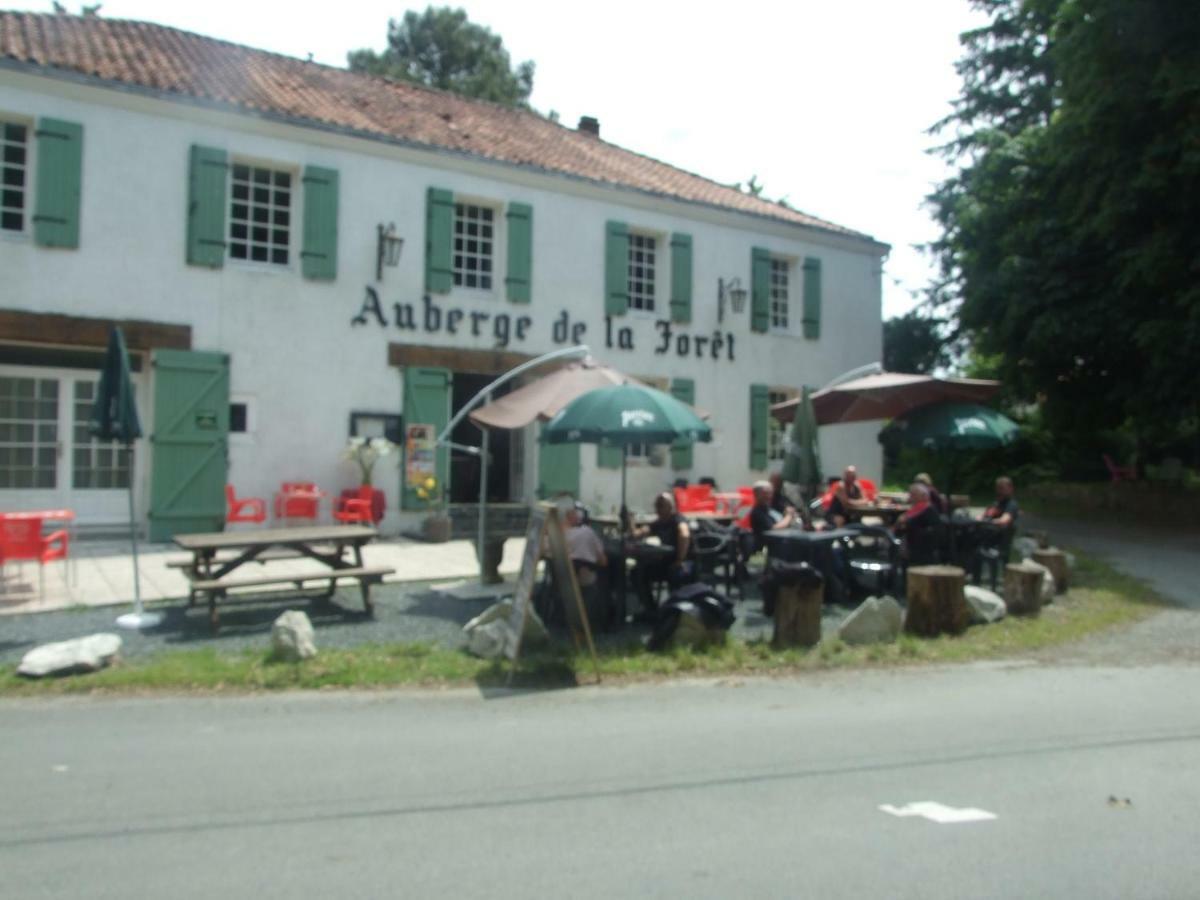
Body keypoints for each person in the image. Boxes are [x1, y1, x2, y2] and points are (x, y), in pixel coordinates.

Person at [627, 492, 693, 616]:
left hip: (684, 564)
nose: (658, 509)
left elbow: (684, 535)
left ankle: (675, 612)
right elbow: (637, 534)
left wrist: (680, 559)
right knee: (637, 573)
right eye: (657, 506)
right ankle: (651, 609)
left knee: (674, 574)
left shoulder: (678, 519)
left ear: (670, 507)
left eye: (661, 505)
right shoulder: (659, 523)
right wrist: (631, 521)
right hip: (666, 563)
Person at [894, 482, 942, 566]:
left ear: (924, 496)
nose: (911, 498)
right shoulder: (916, 508)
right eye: (911, 494)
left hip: (920, 549)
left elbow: (933, 532)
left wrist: (906, 525)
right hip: (909, 545)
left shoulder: (928, 510)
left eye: (914, 495)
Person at [749, 479, 798, 553]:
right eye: (765, 493)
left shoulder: (771, 509)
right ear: (756, 494)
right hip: (769, 549)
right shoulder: (757, 512)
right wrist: (789, 515)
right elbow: (774, 528)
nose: (769, 496)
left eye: (770, 493)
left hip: (783, 545)